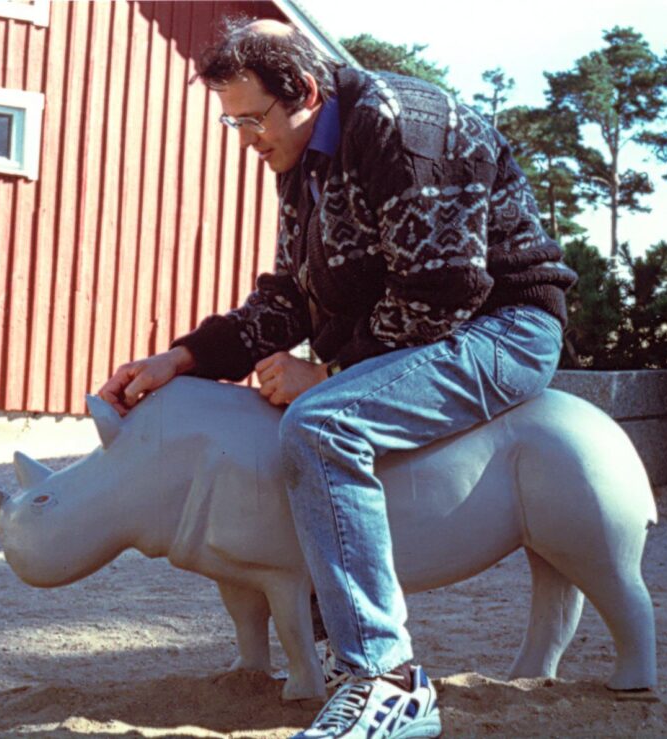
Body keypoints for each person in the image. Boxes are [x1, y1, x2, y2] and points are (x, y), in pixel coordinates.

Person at [99, 16, 577, 739]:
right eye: (233, 125)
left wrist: (327, 370)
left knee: (323, 422)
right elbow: (288, 295)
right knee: (275, 416)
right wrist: (181, 359)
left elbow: (442, 292)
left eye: (253, 120)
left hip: (502, 327)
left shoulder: (401, 128)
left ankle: (388, 679)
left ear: (308, 93)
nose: (247, 140)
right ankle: (326, 634)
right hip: (425, 328)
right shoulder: (302, 163)